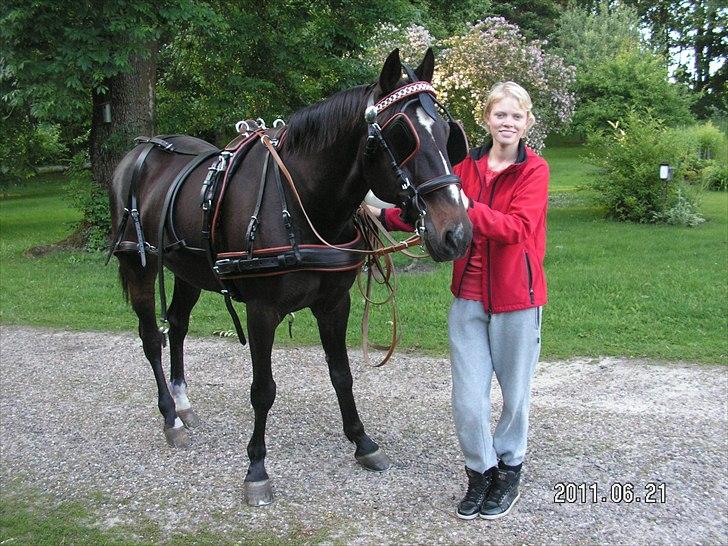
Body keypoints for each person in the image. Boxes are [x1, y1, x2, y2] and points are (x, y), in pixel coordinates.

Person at [370, 81, 549, 520]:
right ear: (487, 119)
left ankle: (509, 468)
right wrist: (382, 214)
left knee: (514, 396)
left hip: (517, 301)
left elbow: (517, 229)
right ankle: (479, 471)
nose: (507, 123)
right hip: (468, 298)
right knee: (468, 399)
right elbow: (436, 206)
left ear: (527, 123)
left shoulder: (534, 170)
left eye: (516, 116)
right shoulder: (465, 167)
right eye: (500, 114)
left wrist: (467, 208)